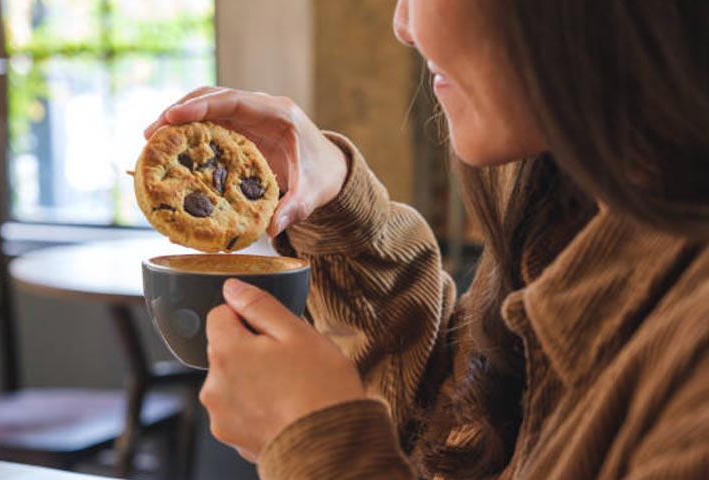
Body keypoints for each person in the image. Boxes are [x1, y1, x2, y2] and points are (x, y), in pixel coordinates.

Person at [144, 1, 709, 478]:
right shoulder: (569, 211)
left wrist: (320, 447)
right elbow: (455, 427)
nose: (403, 25)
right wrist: (343, 211)